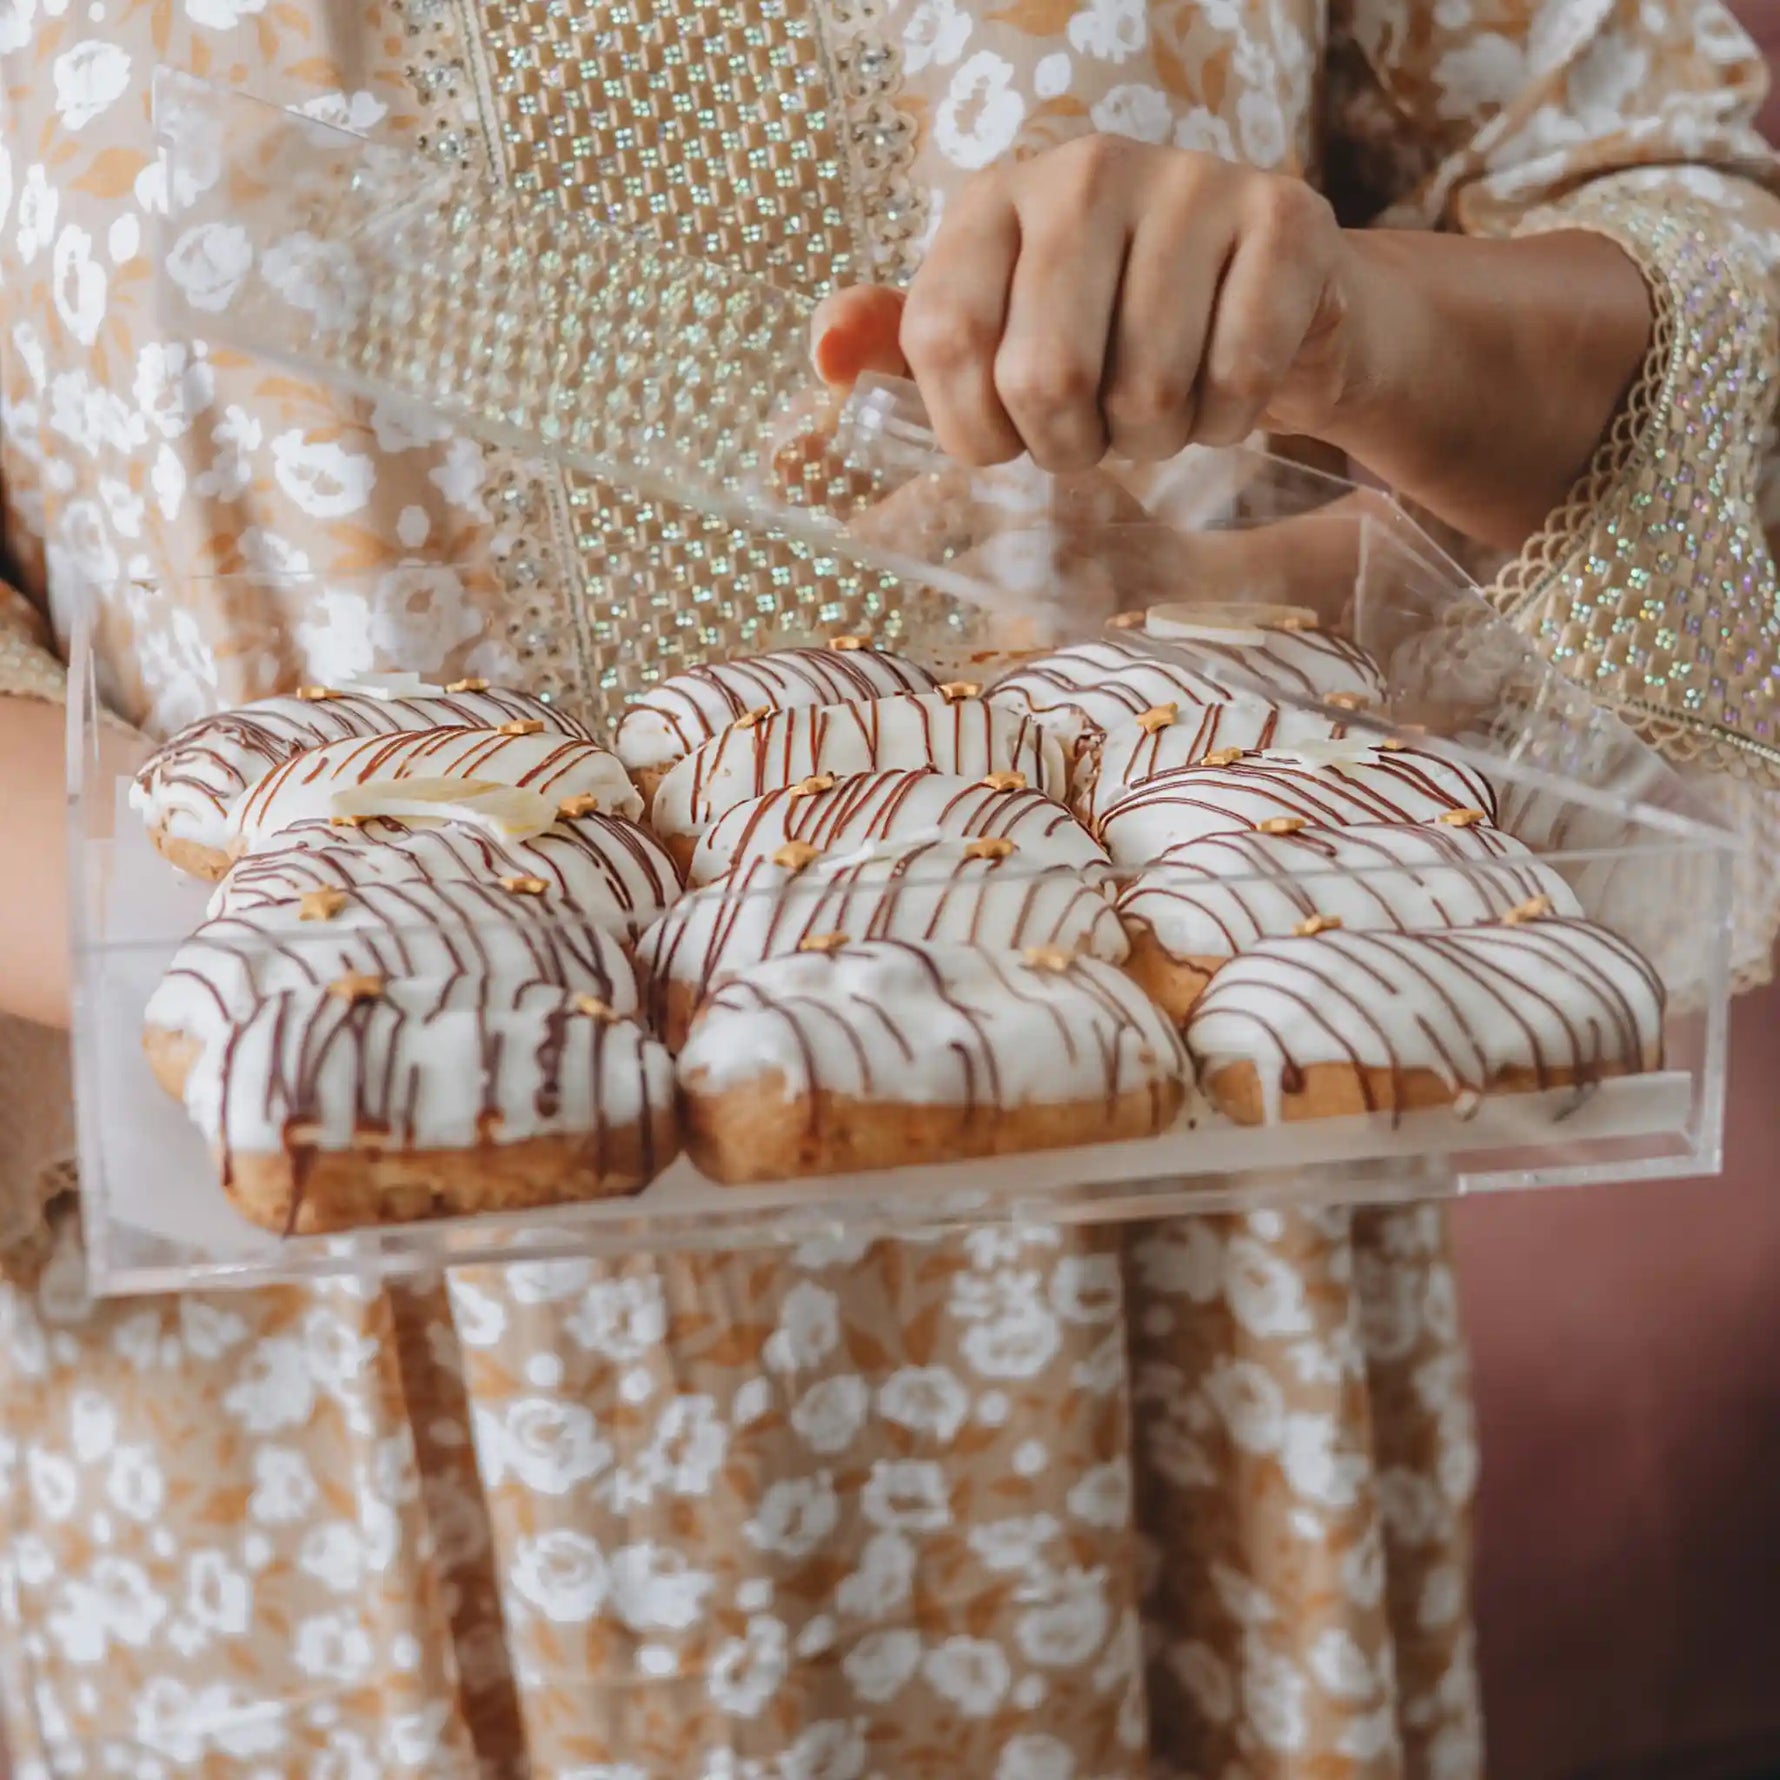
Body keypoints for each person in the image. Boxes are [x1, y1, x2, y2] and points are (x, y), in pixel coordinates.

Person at [0, 2, 1775, 1775]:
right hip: (315, 1421)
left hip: (1168, 1305)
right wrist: (324, 943)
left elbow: (1708, 263)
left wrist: (1362, 329)